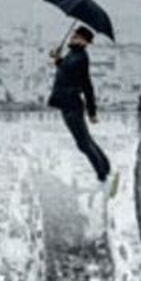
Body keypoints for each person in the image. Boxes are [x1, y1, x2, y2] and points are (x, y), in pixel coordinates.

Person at [48, 25, 116, 191]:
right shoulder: (73, 55)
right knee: (85, 139)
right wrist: (57, 59)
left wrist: (92, 111)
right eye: (74, 35)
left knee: (83, 143)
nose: (73, 38)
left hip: (71, 104)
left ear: (85, 42)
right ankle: (106, 167)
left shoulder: (81, 58)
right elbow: (67, 72)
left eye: (77, 36)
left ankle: (103, 176)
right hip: (68, 103)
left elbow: (87, 86)